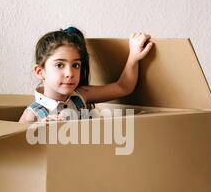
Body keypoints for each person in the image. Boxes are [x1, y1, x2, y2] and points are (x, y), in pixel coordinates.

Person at [18, 27, 154, 123]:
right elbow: (17, 151)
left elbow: (123, 87)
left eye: (75, 65)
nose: (70, 73)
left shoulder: (81, 95)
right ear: (40, 71)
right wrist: (38, 130)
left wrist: (134, 56)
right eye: (60, 65)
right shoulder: (32, 115)